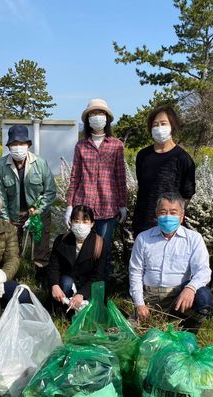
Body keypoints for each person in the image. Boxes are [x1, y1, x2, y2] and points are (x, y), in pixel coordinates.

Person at [129, 193, 213, 333]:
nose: (168, 216)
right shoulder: (143, 239)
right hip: (150, 296)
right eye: (163, 212)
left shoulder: (193, 239)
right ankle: (152, 318)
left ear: (182, 216)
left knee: (204, 296)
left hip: (178, 296)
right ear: (156, 214)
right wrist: (139, 304)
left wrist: (190, 288)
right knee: (132, 336)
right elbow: (135, 272)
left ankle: (188, 329)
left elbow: (203, 271)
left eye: (173, 212)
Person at [65, 98, 127, 276]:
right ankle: (81, 290)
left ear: (107, 118)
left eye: (100, 113)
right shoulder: (81, 146)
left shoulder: (116, 145)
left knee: (103, 251)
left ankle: (101, 292)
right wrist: (70, 205)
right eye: (93, 114)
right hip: (84, 207)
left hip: (108, 208)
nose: (97, 117)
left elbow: (120, 177)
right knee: (83, 250)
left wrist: (123, 204)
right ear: (87, 119)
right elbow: (75, 176)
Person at [0, 124, 56, 288]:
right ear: (9, 146)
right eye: (14, 144)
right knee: (12, 248)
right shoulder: (1, 166)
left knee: (41, 248)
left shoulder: (40, 164)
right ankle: (11, 279)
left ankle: (41, 279)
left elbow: (50, 192)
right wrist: (6, 220)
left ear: (28, 145)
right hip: (13, 215)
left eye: (21, 144)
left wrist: (37, 210)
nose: (18, 148)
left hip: (37, 213)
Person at [133, 105, 196, 236]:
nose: (159, 128)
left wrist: (172, 216)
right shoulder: (143, 156)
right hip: (143, 222)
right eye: (155, 124)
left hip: (169, 225)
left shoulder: (183, 158)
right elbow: (142, 186)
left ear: (172, 126)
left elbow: (187, 194)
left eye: (163, 123)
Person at [48, 205, 107, 312]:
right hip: (65, 286)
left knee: (89, 308)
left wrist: (81, 294)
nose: (80, 225)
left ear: (92, 223)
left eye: (85, 222)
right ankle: (62, 310)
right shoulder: (62, 240)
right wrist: (54, 285)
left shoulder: (99, 244)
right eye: (76, 221)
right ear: (71, 222)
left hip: (87, 287)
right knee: (66, 282)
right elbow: (53, 266)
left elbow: (98, 275)